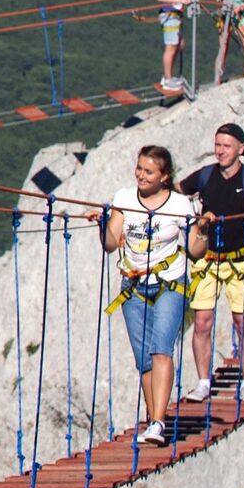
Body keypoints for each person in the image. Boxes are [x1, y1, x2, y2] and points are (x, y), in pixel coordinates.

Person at [98, 145, 212, 447]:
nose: (141, 175)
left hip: (169, 284)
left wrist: (203, 229)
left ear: (164, 176)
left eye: (149, 171)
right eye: (139, 168)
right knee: (144, 362)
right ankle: (153, 422)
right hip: (133, 288)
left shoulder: (179, 205)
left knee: (162, 350)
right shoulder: (124, 199)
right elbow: (111, 244)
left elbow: (195, 251)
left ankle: (159, 422)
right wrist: (102, 223)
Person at [177, 123, 244, 403]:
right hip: (209, 260)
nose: (220, 151)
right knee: (202, 323)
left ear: (240, 149)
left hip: (241, 262)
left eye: (226, 146)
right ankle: (203, 382)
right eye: (217, 145)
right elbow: (178, 190)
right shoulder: (206, 175)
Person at [155, 0, 197, 93]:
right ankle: (167, 80)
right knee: (171, 46)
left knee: (179, 44)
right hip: (170, 14)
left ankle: (168, 76)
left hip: (171, 14)